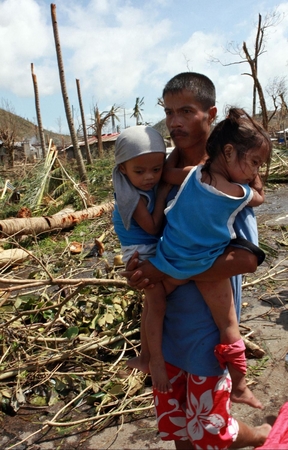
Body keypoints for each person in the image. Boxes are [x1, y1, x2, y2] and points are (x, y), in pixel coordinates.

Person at [122, 72, 271, 449]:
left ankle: (257, 437)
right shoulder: (159, 179)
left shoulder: (221, 185)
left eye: (185, 111)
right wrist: (141, 273)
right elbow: (151, 244)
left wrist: (168, 271)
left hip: (207, 330)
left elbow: (245, 261)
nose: (174, 122)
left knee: (208, 428)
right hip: (168, 331)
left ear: (210, 114)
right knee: (178, 427)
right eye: (169, 112)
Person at [112, 125, 173, 392]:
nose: (149, 177)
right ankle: (155, 361)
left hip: (147, 247)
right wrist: (161, 196)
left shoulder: (137, 185)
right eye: (140, 171)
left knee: (151, 305)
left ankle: (146, 356)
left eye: (156, 170)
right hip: (141, 251)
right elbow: (152, 227)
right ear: (123, 169)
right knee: (157, 305)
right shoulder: (132, 196)